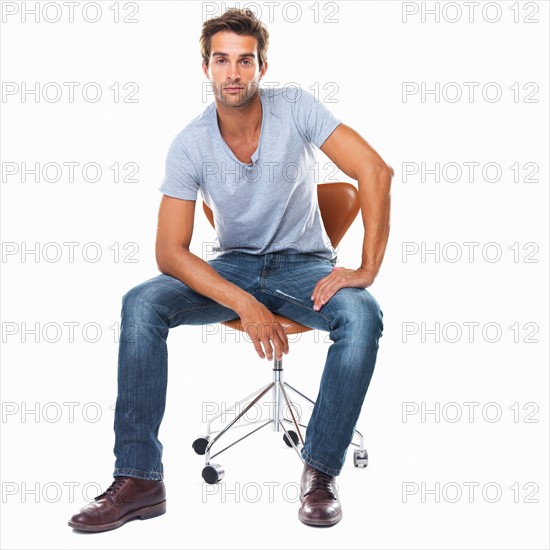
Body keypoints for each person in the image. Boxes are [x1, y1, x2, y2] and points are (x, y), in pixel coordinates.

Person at [68, 7, 393, 531]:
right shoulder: (190, 144)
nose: (234, 73)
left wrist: (366, 269)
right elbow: (170, 253)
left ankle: (320, 471)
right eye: (222, 61)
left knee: (363, 316)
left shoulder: (295, 108)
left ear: (262, 66)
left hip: (304, 267)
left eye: (245, 61)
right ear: (206, 68)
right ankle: (139, 479)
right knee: (141, 302)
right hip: (234, 268)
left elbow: (374, 171)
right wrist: (244, 302)